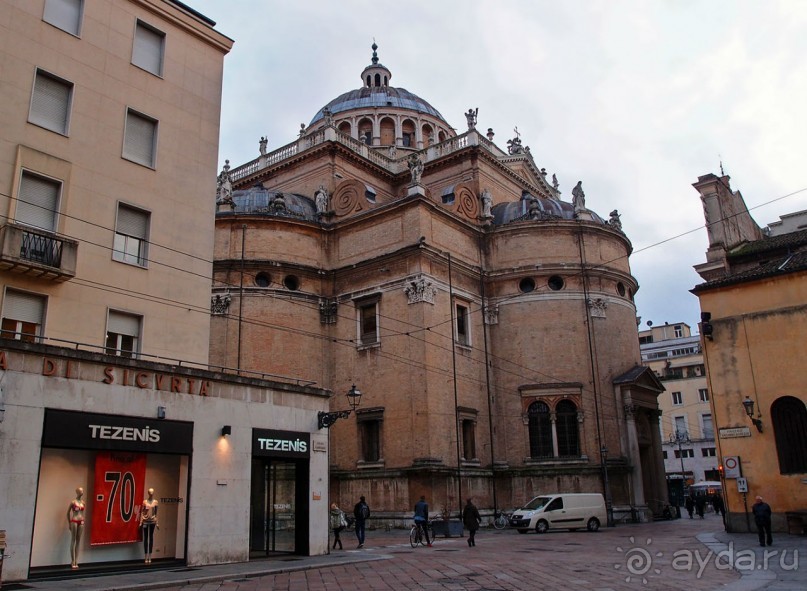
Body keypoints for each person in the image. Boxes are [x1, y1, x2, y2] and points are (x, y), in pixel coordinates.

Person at [67, 487, 86, 568]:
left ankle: (76, 561)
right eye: (81, 491)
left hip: (81, 521)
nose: (82, 492)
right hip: (74, 521)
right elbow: (67, 513)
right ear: (77, 492)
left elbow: (82, 513)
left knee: (78, 541)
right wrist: (69, 523)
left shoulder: (83, 502)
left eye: (82, 491)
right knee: (73, 540)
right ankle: (72, 560)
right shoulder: (73, 502)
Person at [139, 488, 159, 564]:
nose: (151, 493)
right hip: (145, 521)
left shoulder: (155, 502)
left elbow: (156, 513)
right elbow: (142, 512)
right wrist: (141, 522)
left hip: (152, 521)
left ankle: (150, 556)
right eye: (150, 492)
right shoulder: (145, 502)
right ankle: (145, 556)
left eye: (152, 492)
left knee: (151, 538)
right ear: (148, 493)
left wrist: (157, 522)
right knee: (146, 538)